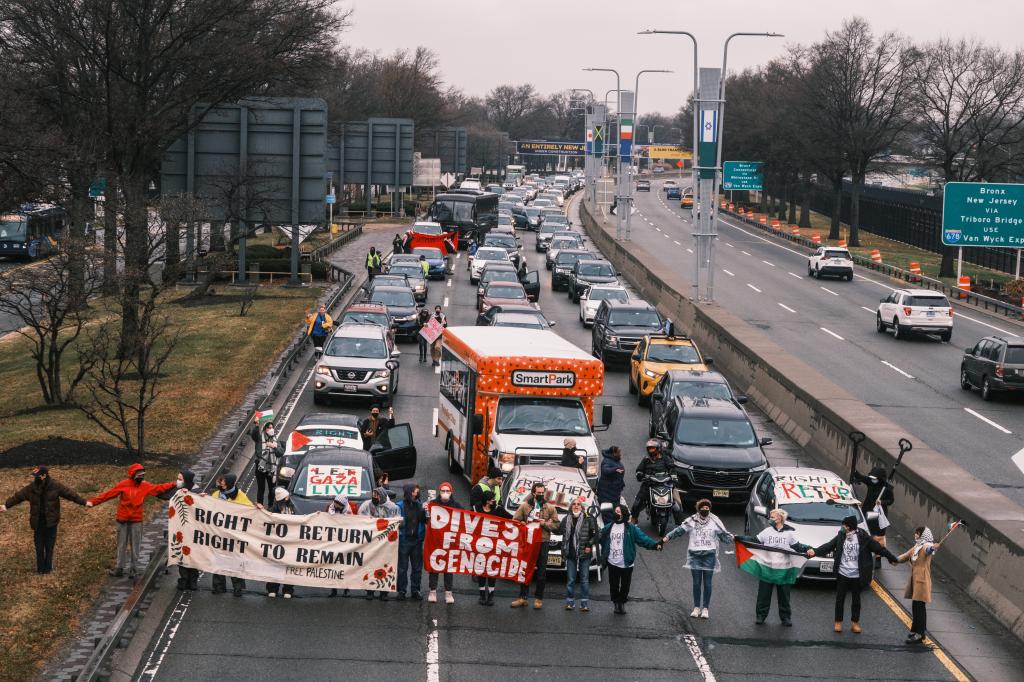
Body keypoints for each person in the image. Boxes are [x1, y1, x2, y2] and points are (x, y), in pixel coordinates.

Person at [87, 464, 176, 579]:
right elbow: (108, 494)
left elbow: (159, 488)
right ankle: (119, 568)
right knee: (121, 545)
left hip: (136, 521)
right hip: (122, 520)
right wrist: (93, 502)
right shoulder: (123, 485)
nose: (141, 477)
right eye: (139, 475)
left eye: (143, 475)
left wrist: (174, 484)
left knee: (136, 546)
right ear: (132, 474)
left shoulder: (145, 486)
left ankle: (133, 570)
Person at [813, 514, 898, 633]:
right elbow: (829, 546)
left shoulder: (863, 537)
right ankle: (838, 622)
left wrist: (892, 558)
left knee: (856, 600)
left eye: (844, 525)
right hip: (843, 573)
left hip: (857, 574)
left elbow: (879, 548)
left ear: (849, 527)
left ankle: (855, 622)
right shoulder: (841, 535)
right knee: (840, 598)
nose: (842, 527)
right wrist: (815, 551)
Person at [1, 465, 87, 574]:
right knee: (39, 547)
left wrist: (84, 502)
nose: (35, 478)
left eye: (37, 476)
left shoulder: (55, 486)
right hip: (38, 523)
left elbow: (70, 495)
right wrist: (6, 506)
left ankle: (48, 568)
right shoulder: (31, 488)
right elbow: (18, 496)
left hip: (51, 523)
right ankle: (40, 569)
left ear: (44, 476)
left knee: (49, 546)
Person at [663, 499, 733, 619]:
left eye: (707, 508)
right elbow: (679, 531)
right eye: (703, 507)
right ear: (698, 509)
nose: (705, 509)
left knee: (707, 583)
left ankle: (705, 608)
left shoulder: (715, 521)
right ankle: (696, 608)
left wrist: (732, 538)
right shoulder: (691, 521)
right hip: (695, 556)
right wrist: (667, 537)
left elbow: (724, 536)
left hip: (709, 556)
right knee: (696, 583)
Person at [746, 508, 814, 626]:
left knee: (784, 596)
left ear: (780, 518)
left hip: (783, 570)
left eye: (772, 517)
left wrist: (808, 548)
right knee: (763, 595)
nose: (770, 519)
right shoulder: (766, 531)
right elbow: (754, 540)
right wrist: (739, 538)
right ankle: (760, 616)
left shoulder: (789, 534)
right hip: (767, 568)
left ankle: (785, 618)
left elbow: (797, 546)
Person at [599, 503, 662, 614]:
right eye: (615, 511)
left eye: (618, 512)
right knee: (613, 585)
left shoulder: (631, 528)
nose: (616, 513)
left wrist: (654, 545)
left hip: (626, 563)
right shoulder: (609, 527)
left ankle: (622, 603)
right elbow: (599, 536)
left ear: (623, 515)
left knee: (625, 586)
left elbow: (643, 539)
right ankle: (616, 604)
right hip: (612, 562)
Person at [511, 481, 560, 609]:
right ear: (533, 492)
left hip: (543, 542)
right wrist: (522, 523)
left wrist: (545, 524)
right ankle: (523, 597)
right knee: (525, 569)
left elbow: (556, 525)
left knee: (541, 572)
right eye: (538, 493)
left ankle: (538, 599)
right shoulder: (525, 506)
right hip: (528, 542)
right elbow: (514, 521)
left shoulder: (550, 507)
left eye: (543, 493)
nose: (541, 495)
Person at [209, 473, 253, 596]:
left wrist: (257, 508)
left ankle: (237, 588)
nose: (220, 484)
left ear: (228, 483)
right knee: (218, 560)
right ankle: (218, 586)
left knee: (234, 561)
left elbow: (250, 510)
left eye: (222, 482)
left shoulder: (240, 496)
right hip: (219, 534)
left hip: (234, 535)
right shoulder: (216, 495)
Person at [895, 526, 941, 643]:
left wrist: (933, 547)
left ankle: (920, 634)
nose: (915, 535)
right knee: (916, 607)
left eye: (917, 533)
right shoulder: (917, 546)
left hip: (922, 581)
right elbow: (906, 556)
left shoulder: (925, 545)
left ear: (922, 535)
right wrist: (893, 559)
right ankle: (915, 630)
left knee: (920, 608)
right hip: (916, 580)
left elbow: (929, 550)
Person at [358, 487, 399, 600]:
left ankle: (384, 592)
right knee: (371, 565)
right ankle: (370, 591)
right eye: (373, 495)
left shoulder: (392, 507)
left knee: (385, 565)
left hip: (386, 543)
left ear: (381, 496)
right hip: (372, 542)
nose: (374, 498)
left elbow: (397, 522)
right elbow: (361, 519)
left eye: (377, 496)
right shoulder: (367, 505)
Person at [559, 497, 597, 612]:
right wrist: (547, 524)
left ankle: (584, 603)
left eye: (578, 504)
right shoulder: (566, 519)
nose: (576, 506)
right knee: (571, 579)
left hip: (584, 553)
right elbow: (558, 530)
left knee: (584, 579)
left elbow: (596, 534)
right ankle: (570, 602)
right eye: (574, 504)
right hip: (570, 553)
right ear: (571, 507)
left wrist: (589, 546)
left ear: (582, 507)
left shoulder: (588, 519)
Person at [853, 465, 895, 569]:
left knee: (878, 537)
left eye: (875, 478)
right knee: (865, 533)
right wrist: (854, 468)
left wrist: (882, 502)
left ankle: (878, 558)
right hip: (868, 511)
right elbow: (861, 477)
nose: (873, 480)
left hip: (879, 515)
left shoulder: (887, 488)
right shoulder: (871, 482)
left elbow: (891, 500)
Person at [165, 469, 200, 590]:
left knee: (192, 555)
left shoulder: (197, 491)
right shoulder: (179, 491)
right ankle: (184, 579)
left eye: (180, 479)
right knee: (182, 555)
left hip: (193, 530)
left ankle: (193, 580)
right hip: (181, 530)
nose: (178, 481)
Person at [427, 482, 460, 604]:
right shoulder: (433, 504)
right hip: (435, 541)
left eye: (448, 491)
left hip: (449, 542)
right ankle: (432, 591)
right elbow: (425, 520)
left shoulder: (456, 506)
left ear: (451, 493)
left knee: (448, 567)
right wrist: (425, 510)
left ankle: (448, 593)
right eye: (443, 491)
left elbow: (465, 520)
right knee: (434, 567)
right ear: (439, 492)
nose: (445, 493)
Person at [263, 487, 296, 598]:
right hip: (276, 542)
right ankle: (273, 588)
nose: (288, 497)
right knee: (275, 565)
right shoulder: (273, 510)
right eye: (286, 496)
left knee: (288, 566)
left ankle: (288, 589)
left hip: (289, 542)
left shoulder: (291, 507)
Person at [395, 483, 426, 601]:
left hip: (417, 541)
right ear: (409, 492)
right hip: (404, 541)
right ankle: (401, 590)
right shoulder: (400, 506)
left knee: (417, 568)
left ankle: (415, 590)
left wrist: (425, 511)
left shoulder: (420, 506)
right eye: (414, 491)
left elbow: (424, 521)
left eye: (417, 492)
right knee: (402, 568)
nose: (416, 493)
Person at [631, 439, 674, 521]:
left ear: (658, 449)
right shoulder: (646, 459)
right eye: (649, 448)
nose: (651, 450)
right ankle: (634, 518)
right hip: (649, 483)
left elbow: (672, 468)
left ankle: (680, 522)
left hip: (664, 483)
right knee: (637, 502)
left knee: (676, 504)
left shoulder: (665, 458)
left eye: (653, 448)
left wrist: (673, 477)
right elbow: (639, 469)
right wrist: (640, 474)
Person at [473, 489, 500, 605]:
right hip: (480, 545)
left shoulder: (498, 510)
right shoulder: (476, 509)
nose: (494, 501)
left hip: (493, 545)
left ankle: (491, 596)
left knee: (492, 571)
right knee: (481, 570)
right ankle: (482, 595)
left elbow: (512, 520)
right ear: (487, 501)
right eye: (492, 499)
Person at [253, 421, 280, 507]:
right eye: (268, 428)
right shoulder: (260, 438)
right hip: (261, 466)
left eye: (272, 427)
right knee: (261, 489)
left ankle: (270, 506)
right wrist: (257, 425)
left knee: (272, 489)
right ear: (265, 429)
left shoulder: (275, 440)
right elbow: (254, 435)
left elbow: (280, 453)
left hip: (271, 468)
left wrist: (274, 446)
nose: (270, 429)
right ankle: (259, 506)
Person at [597, 446, 625, 523]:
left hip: (614, 492)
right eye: (618, 452)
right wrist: (615, 469)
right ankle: (608, 529)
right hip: (606, 492)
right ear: (614, 453)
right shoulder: (607, 461)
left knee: (613, 511)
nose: (620, 454)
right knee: (607, 512)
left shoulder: (614, 460)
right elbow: (605, 470)